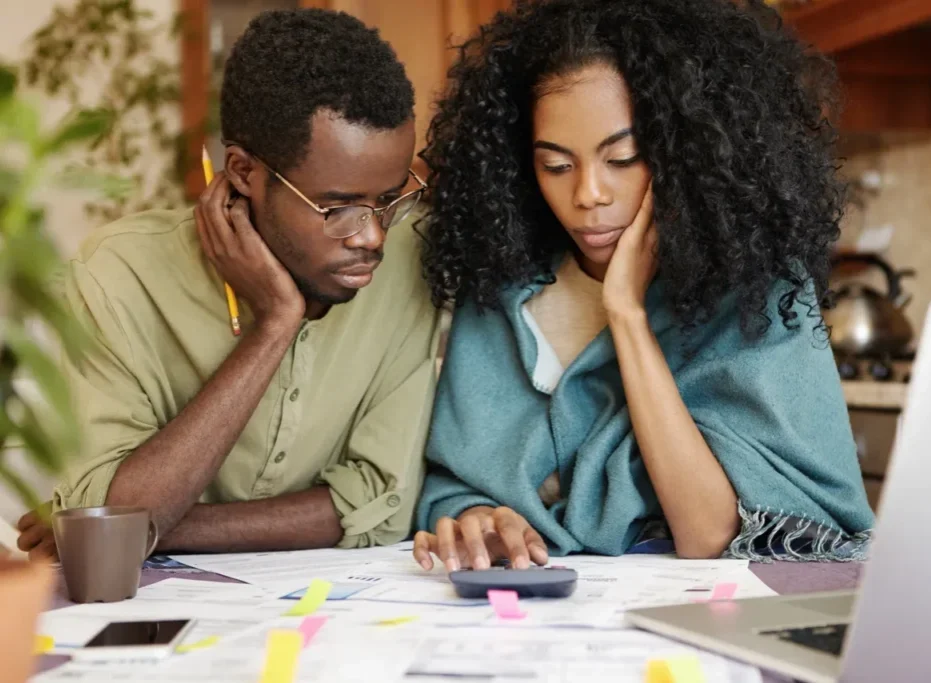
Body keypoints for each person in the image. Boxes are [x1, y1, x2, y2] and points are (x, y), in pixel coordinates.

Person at [412, 0, 874, 570]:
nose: (588, 195)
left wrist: (626, 312)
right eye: (556, 165)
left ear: (687, 154)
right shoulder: (500, 295)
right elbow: (453, 486)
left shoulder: (759, 297)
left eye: (623, 159)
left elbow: (709, 531)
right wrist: (478, 516)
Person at [17, 8, 438, 561]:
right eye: (335, 208)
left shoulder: (413, 265)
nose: (373, 237)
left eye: (388, 201)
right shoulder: (118, 275)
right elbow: (109, 533)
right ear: (241, 172)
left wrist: (156, 525)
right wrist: (276, 323)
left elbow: (379, 503)